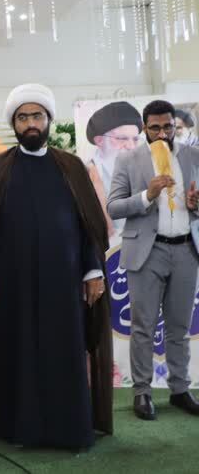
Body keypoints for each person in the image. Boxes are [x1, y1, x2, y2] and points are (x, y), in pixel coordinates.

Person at [0, 84, 114, 449]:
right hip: (14, 283)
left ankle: (68, 430)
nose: (30, 123)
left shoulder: (70, 167)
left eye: (37, 116)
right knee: (19, 352)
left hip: (64, 282)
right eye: (23, 117)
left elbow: (88, 224)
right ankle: (21, 428)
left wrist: (93, 270)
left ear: (48, 120)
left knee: (64, 351)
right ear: (13, 124)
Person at [107, 99, 199, 421]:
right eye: (155, 127)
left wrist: (196, 204)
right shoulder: (128, 159)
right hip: (147, 251)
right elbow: (113, 207)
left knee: (179, 327)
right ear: (144, 128)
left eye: (168, 127)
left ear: (176, 126)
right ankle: (142, 392)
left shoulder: (193, 156)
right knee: (143, 327)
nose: (162, 133)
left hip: (186, 250)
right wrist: (147, 195)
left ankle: (179, 389)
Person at [85, 101, 143, 238]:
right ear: (99, 141)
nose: (131, 146)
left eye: (135, 139)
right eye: (122, 139)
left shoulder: (142, 168)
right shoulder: (85, 176)